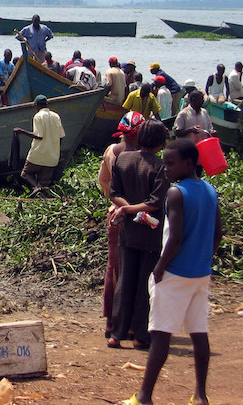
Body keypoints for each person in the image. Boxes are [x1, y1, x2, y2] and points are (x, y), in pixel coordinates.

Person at [120, 139, 221, 405]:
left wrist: (160, 267)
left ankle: (144, 397)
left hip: (175, 273)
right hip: (200, 274)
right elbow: (217, 234)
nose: (166, 168)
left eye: (170, 163)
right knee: (199, 333)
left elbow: (174, 238)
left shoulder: (176, 193)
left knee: (161, 334)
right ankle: (200, 395)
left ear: (189, 163)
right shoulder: (210, 191)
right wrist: (203, 259)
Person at [107, 119, 170, 351]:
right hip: (151, 233)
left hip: (128, 231)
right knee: (146, 282)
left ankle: (116, 334)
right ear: (161, 142)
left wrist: (126, 208)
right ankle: (140, 336)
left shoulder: (123, 159)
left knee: (125, 280)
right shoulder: (161, 166)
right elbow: (154, 203)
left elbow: (114, 193)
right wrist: (136, 210)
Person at [98, 111, 146, 340]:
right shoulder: (142, 155)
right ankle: (130, 325)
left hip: (115, 214)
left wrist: (113, 200)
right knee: (135, 269)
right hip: (139, 216)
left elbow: (103, 181)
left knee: (113, 268)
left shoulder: (111, 151)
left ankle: (111, 322)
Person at [14, 95, 65, 196]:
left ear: (37, 106)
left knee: (26, 173)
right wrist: (56, 149)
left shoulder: (38, 116)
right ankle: (42, 195)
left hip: (38, 153)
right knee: (45, 183)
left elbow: (39, 136)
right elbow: (61, 136)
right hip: (52, 156)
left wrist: (22, 131)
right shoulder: (56, 116)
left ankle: (36, 187)